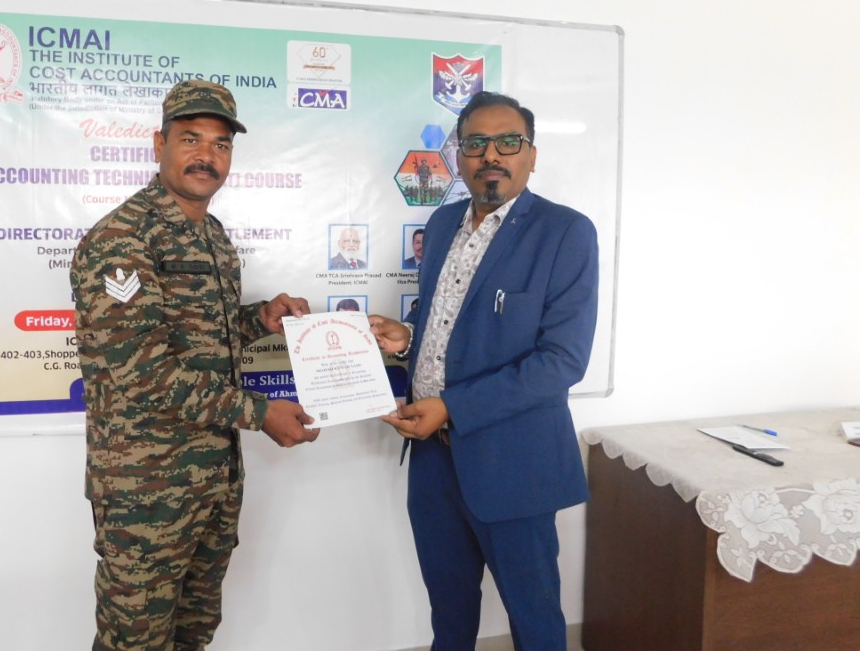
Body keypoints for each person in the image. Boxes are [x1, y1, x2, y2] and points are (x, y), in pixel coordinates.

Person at [70, 79, 320, 651]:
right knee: (135, 640)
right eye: (191, 139)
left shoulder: (211, 235)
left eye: (220, 144)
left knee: (193, 632)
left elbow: (204, 335)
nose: (207, 155)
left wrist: (259, 318)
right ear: (159, 144)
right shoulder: (122, 239)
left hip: (212, 479)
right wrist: (260, 413)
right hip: (147, 489)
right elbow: (143, 370)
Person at [369, 90, 599, 651]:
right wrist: (408, 338)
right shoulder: (442, 222)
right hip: (432, 460)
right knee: (448, 613)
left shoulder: (565, 232)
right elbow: (452, 321)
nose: (490, 154)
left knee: (534, 616)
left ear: (532, 155)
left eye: (508, 142)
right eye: (475, 142)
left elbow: (562, 360)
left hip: (513, 461)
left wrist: (451, 407)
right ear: (459, 154)